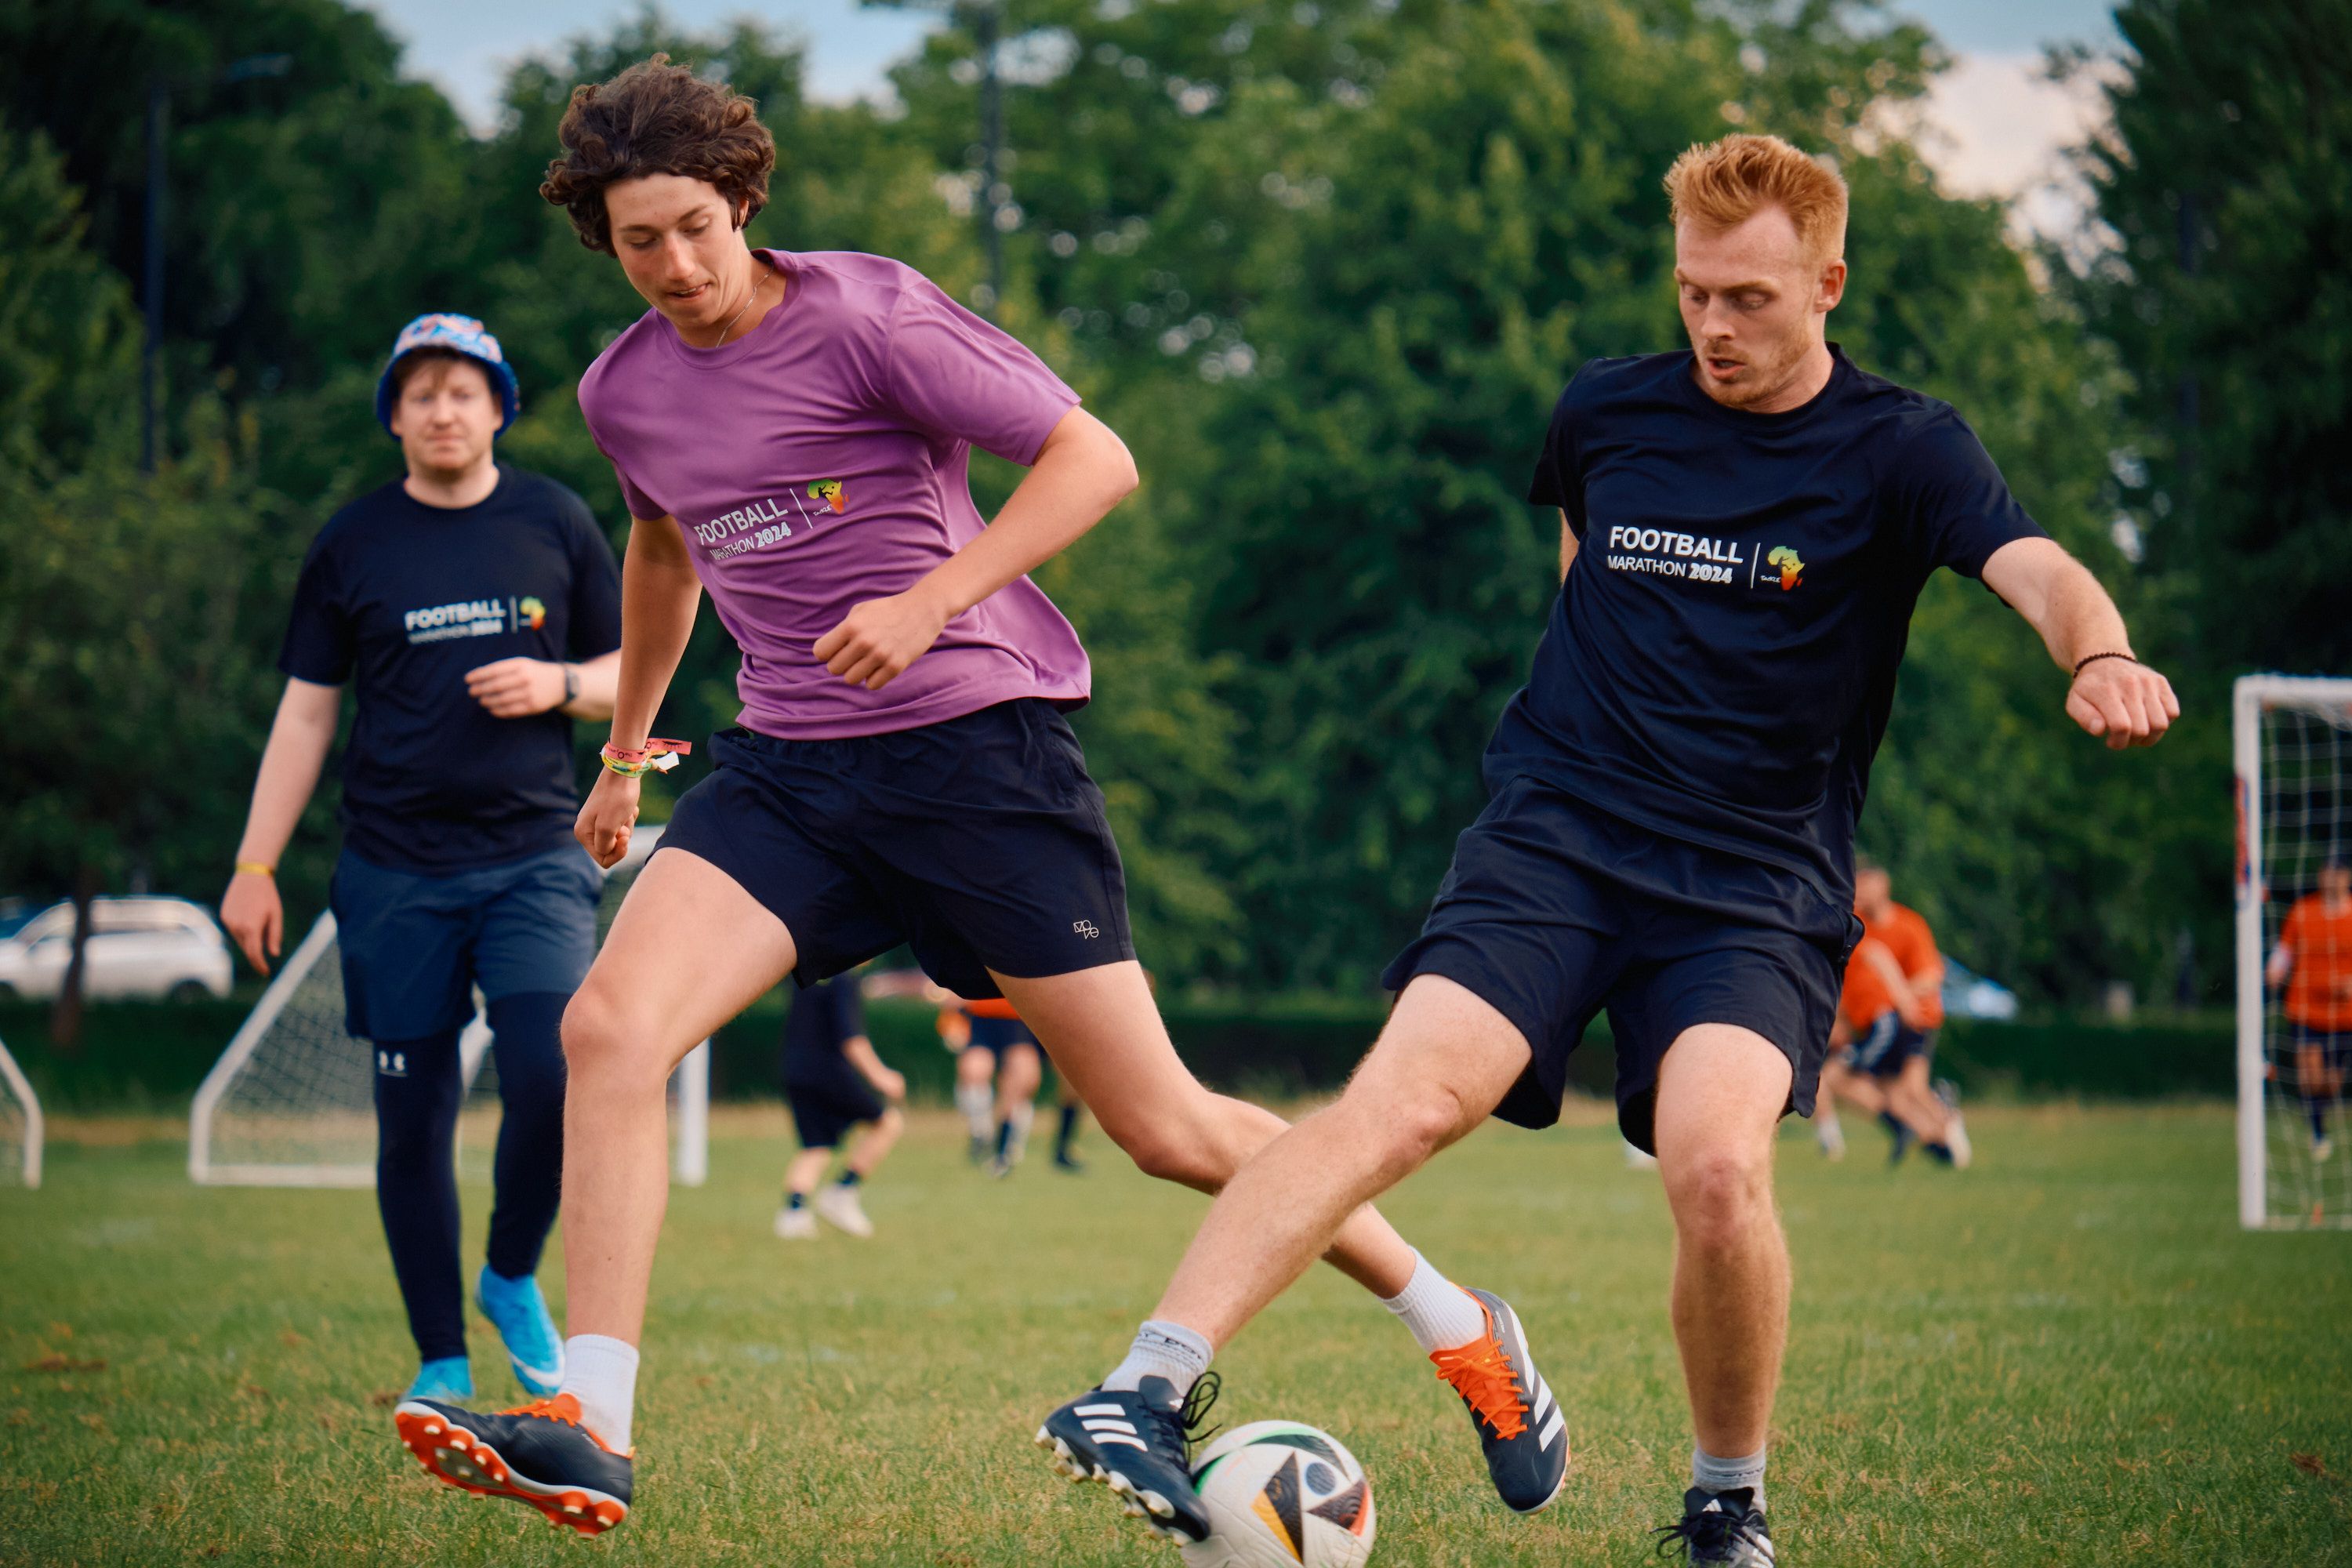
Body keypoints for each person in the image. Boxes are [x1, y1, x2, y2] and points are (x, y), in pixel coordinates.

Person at [394, 56, 1540, 1537]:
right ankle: (592, 1427)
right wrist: (624, 754)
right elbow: (665, 553)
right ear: (601, 243)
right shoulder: (624, 389)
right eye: (637, 241)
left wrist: (936, 599)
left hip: (978, 753)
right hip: (792, 771)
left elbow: (1094, 457)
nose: (673, 264)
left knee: (1165, 1127)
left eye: (693, 225)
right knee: (608, 1027)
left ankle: (1460, 1323)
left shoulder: (868, 314)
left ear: (744, 200)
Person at [1040, 132, 2177, 1564]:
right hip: (1554, 843)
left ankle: (1726, 1501)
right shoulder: (1605, 412)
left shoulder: (1905, 448)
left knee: (1716, 1168)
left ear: (1828, 284)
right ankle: (1143, 1390)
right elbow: (1582, 562)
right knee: (1393, 1105)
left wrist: (2103, 653)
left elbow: (2041, 567)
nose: (1714, 325)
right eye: (1695, 292)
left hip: (1752, 889)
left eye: (1751, 298)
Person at [221, 314, 622, 1404]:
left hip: (535, 856)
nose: (444, 410)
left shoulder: (555, 517)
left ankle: (507, 1275)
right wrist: (255, 866)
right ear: (395, 416)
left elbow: (633, 662)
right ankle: (440, 1360)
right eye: (421, 393)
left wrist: (561, 687)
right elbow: (306, 717)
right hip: (394, 871)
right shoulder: (353, 543)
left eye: (464, 390)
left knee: (552, 1072)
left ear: (499, 406)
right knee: (415, 1117)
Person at [1815, 863, 1967, 1165]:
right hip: (1884, 1021)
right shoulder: (1857, 925)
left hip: (1914, 1019)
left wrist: (1902, 999)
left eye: (1866, 884)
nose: (1859, 890)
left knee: (1859, 1081)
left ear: (1883, 886)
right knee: (1903, 1090)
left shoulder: (1908, 925)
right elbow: (1852, 983)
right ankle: (1938, 1139)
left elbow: (1931, 975)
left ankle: (1932, 1125)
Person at [776, 972, 905, 1239]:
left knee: (816, 1145)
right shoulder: (845, 979)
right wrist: (880, 1075)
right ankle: (842, 1192)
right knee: (888, 1123)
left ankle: (793, 1214)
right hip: (829, 1072)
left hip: (796, 1070)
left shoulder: (809, 974)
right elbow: (852, 1038)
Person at [2266, 858, 2352, 1161]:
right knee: (2309, 1075)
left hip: (2343, 1014)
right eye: (2327, 873)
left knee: (2330, 1082)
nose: (2332, 880)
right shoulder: (2303, 911)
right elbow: (2285, 948)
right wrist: (2275, 968)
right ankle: (2317, 1134)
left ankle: (2319, 1119)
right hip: (2304, 1007)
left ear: (2347, 877)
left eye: (2337, 874)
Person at [959, 995, 1043, 1176]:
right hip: (983, 1015)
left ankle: (1007, 1149)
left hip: (1020, 1018)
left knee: (1020, 1082)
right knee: (973, 1070)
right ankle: (981, 1131)